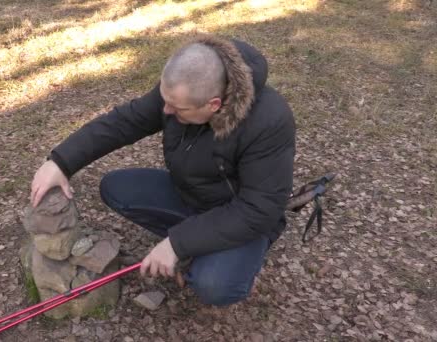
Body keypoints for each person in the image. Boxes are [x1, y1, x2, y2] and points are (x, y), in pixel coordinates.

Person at [30, 34, 295, 306]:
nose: (166, 111)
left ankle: (223, 256)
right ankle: (200, 243)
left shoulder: (269, 122)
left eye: (177, 108)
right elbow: (125, 121)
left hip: (241, 216)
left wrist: (176, 244)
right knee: (117, 189)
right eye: (164, 100)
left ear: (213, 105)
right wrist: (61, 161)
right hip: (194, 196)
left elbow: (259, 209)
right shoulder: (181, 89)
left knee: (215, 285)